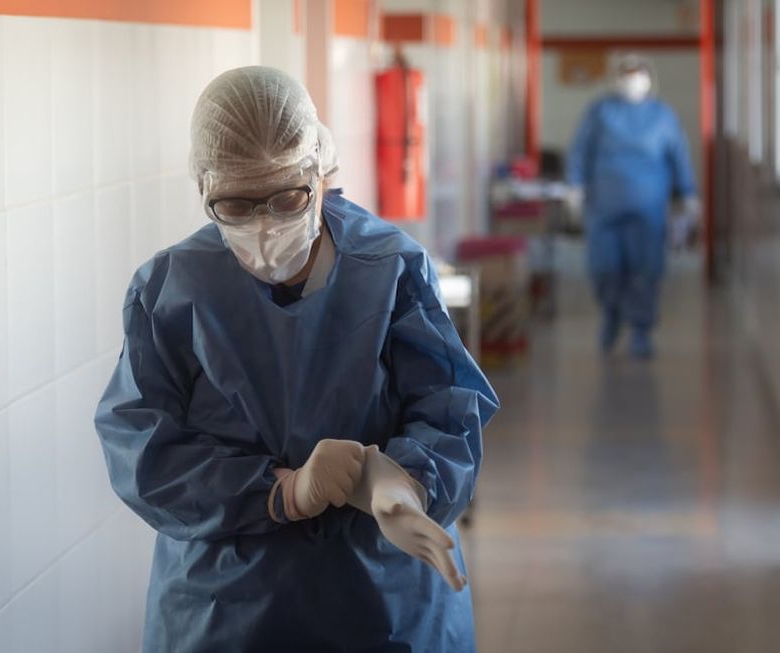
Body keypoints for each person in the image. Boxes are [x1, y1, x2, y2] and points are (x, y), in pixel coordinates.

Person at [94, 66, 499, 652]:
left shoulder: (390, 267)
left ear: (320, 171)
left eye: (287, 198)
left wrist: (406, 486)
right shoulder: (170, 290)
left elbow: (449, 407)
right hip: (229, 612)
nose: (264, 225)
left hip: (385, 604)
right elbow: (142, 451)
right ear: (204, 189)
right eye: (235, 205)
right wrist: (282, 491)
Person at [566, 54, 699, 358]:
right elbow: (581, 149)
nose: (632, 81)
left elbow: (678, 154)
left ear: (649, 79)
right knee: (604, 268)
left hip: (647, 206)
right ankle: (611, 315)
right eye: (626, 75)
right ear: (616, 79)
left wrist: (689, 193)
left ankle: (641, 329)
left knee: (645, 269)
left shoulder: (662, 116)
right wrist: (574, 185)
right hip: (605, 205)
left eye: (637, 75)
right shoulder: (600, 112)